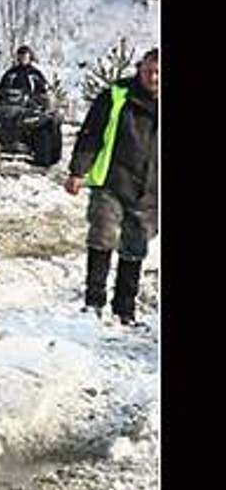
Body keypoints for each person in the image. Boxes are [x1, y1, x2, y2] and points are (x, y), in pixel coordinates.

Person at [66, 48, 159, 324]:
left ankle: (125, 311)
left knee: (135, 247)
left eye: (158, 73)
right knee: (102, 236)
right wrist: (78, 171)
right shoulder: (117, 95)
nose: (152, 77)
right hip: (113, 181)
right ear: (139, 68)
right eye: (148, 71)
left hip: (151, 189)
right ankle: (93, 304)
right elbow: (91, 133)